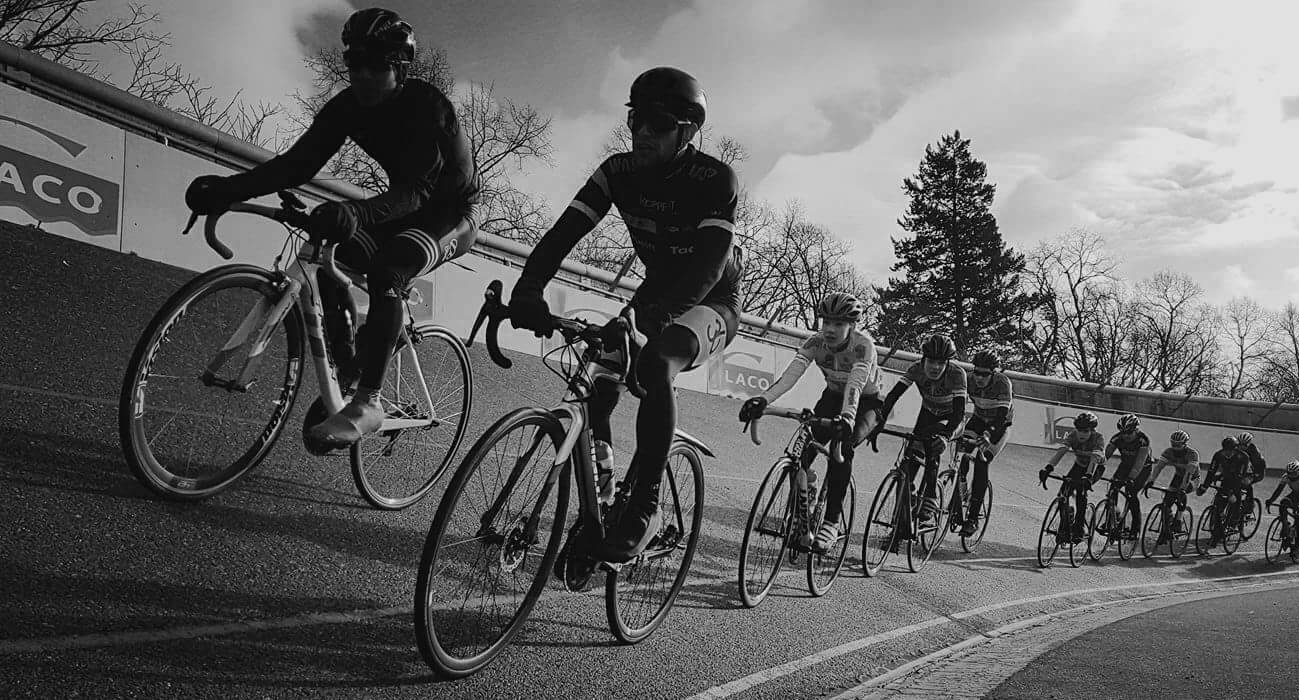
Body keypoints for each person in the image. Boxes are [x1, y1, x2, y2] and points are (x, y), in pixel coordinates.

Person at [184, 8, 480, 450]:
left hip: (451, 215)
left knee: (388, 271)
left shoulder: (426, 106)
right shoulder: (347, 106)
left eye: (374, 64)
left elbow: (419, 191)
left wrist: (358, 213)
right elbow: (297, 165)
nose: (361, 74)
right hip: (405, 205)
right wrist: (230, 189)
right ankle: (350, 367)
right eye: (353, 62)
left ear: (399, 66)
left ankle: (368, 402)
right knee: (328, 251)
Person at [509, 66, 742, 565]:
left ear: (686, 131)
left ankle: (647, 503)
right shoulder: (617, 172)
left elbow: (706, 267)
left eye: (656, 124)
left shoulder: (715, 179)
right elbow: (562, 233)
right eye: (636, 120)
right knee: (600, 378)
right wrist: (529, 287)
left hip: (711, 299)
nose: (641, 133)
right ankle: (607, 489)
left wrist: (654, 319)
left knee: (656, 363)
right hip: (657, 291)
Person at [739, 292, 882, 551]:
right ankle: (808, 494)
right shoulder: (815, 343)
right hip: (832, 397)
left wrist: (848, 416)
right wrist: (763, 399)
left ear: (852, 326)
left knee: (843, 448)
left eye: (838, 324)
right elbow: (789, 376)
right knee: (802, 451)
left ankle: (831, 522)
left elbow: (855, 385)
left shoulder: (863, 346)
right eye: (826, 322)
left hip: (865, 404)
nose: (829, 329)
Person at [874, 334, 967, 530]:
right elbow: (892, 397)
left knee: (932, 441)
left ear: (947, 363)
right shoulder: (916, 369)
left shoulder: (957, 374)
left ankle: (931, 495)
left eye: (941, 363)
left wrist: (946, 436)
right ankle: (906, 510)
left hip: (950, 419)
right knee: (910, 460)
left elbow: (959, 413)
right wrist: (878, 423)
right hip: (927, 413)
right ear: (924, 359)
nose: (935, 367)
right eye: (932, 361)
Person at [961, 349, 1013, 535]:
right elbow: (958, 404)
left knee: (982, 463)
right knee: (963, 453)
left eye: (985, 374)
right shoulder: (969, 379)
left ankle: (973, 518)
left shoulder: (1002, 383)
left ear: (994, 373)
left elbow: (1001, 418)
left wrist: (989, 436)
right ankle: (959, 489)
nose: (979, 377)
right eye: (977, 372)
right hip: (978, 419)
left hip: (999, 426)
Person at [1039, 411, 1106, 543]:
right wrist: (1049, 467)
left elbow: (1094, 459)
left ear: (1092, 430)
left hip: (1095, 468)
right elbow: (1062, 450)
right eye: (1079, 430)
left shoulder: (1098, 439)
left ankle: (1079, 528)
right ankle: (1065, 524)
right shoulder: (1073, 435)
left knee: (1081, 494)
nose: (1081, 433)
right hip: (1079, 465)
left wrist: (1088, 476)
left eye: (1085, 430)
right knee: (1063, 493)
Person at [1144, 430, 1201, 544]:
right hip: (1178, 476)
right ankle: (1165, 530)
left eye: (1178, 445)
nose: (1175, 447)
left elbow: (1188, 474)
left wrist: (1182, 489)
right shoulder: (1168, 452)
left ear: (1185, 444)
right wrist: (1151, 480)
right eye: (1173, 444)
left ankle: (1178, 520)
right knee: (1166, 503)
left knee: (1181, 494)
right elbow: (1158, 467)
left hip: (1192, 479)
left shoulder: (1192, 454)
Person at [1103, 413, 1152, 539]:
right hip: (1125, 465)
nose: (1126, 436)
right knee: (1112, 491)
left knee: (1131, 494)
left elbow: (1139, 463)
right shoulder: (1117, 438)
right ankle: (1112, 521)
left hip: (1143, 469)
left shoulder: (1143, 440)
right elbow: (1104, 457)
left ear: (1136, 430)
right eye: (1123, 432)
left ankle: (1135, 529)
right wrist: (1095, 469)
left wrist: (1131, 479)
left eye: (1129, 433)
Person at [1197, 436, 1251, 551]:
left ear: (1235, 449)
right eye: (1225, 450)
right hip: (1226, 478)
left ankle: (1233, 522)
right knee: (1218, 505)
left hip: (1239, 479)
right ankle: (1217, 531)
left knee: (1235, 500)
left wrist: (1232, 493)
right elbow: (1211, 471)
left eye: (1230, 451)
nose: (1227, 453)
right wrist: (1204, 486)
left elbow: (1239, 476)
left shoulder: (1243, 457)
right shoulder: (1218, 455)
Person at [1267, 460, 1299, 547]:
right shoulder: (1285, 477)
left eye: (1293, 474)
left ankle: (1297, 547)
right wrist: (1271, 500)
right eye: (1289, 473)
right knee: (1283, 502)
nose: (1290, 476)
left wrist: (1296, 506)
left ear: (1298, 472)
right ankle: (1285, 525)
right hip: (1296, 494)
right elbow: (1279, 490)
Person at [1236, 431, 1267, 516]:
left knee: (1246, 483)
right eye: (1240, 444)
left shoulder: (1254, 452)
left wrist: (1253, 476)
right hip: (1245, 470)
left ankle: (1250, 505)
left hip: (1257, 472)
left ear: (1248, 444)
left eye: (1244, 445)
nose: (1242, 447)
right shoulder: (1236, 447)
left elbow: (1260, 466)